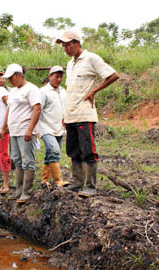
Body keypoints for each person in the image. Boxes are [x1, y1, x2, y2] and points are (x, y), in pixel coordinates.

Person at [56, 30, 119, 197]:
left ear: (77, 43)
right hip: (71, 115)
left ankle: (90, 186)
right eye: (63, 46)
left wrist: (94, 91)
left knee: (88, 150)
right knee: (73, 150)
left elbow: (113, 75)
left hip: (84, 114)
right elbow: (71, 91)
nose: (65, 48)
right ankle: (77, 182)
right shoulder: (70, 64)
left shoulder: (91, 58)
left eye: (68, 45)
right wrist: (65, 114)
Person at [0, 64, 41, 203]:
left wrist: (30, 128)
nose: (10, 81)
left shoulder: (31, 89)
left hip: (25, 129)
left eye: (11, 78)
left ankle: (27, 192)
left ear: (18, 75)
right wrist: (4, 127)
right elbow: (9, 110)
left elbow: (37, 108)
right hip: (14, 131)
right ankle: (18, 189)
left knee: (27, 159)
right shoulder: (12, 91)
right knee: (16, 159)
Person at [38, 66, 69, 187]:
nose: (59, 79)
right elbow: (38, 110)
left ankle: (45, 180)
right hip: (46, 127)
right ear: (50, 76)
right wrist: (36, 129)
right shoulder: (43, 91)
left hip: (59, 127)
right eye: (56, 76)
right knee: (55, 150)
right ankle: (58, 180)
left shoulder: (63, 91)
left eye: (61, 77)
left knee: (51, 153)